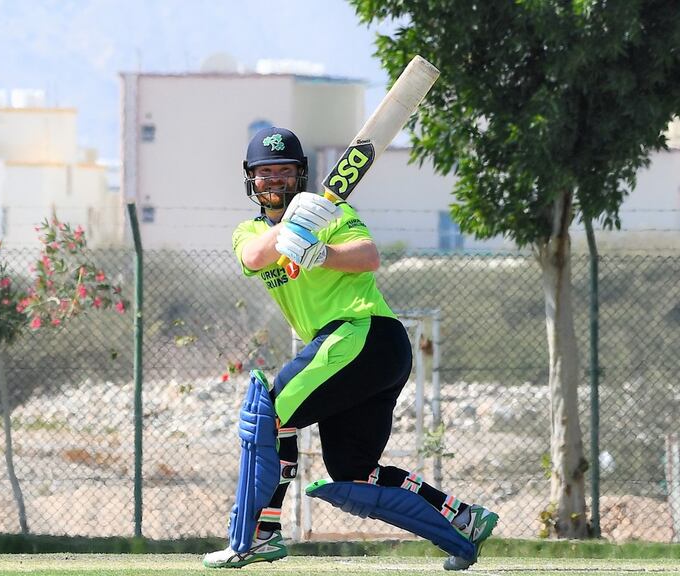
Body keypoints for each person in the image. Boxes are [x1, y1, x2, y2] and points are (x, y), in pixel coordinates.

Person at [203, 127, 498, 571]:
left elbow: (368, 256)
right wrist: (292, 228)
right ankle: (463, 520)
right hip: (362, 354)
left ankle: (257, 535)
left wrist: (321, 253)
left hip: (362, 333)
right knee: (355, 472)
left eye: (284, 171)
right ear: (251, 178)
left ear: (300, 174)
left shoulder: (333, 213)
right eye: (266, 172)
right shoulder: (249, 230)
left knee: (267, 415)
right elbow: (253, 258)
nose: (275, 179)